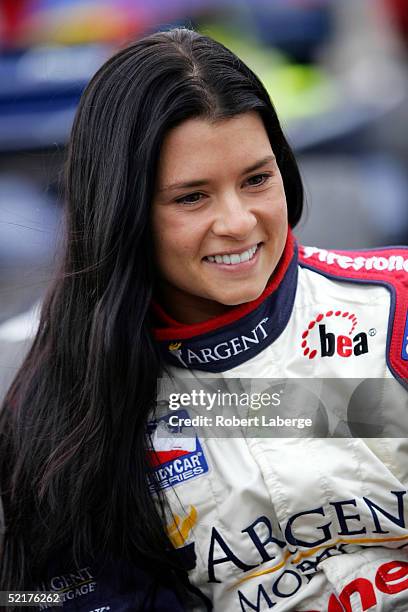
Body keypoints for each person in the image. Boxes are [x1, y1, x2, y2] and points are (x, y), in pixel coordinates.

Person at [1, 27, 408, 611]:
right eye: (192, 197)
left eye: (257, 179)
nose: (239, 222)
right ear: (123, 211)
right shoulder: (60, 408)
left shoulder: (394, 309)